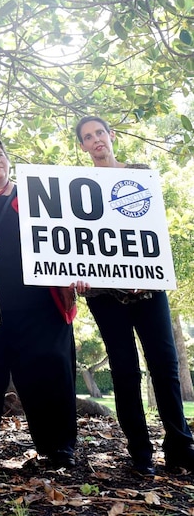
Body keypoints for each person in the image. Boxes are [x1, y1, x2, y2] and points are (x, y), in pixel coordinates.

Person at [72, 116, 194, 475]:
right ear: (82, 147)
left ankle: (180, 448)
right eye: (87, 137)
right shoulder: (76, 186)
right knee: (124, 371)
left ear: (111, 136)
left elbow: (154, 229)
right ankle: (140, 452)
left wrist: (148, 270)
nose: (96, 141)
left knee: (165, 368)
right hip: (105, 295)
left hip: (148, 289)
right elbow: (75, 242)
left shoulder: (140, 174)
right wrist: (76, 276)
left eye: (99, 133)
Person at [0, 136, 78, 468]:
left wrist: (78, 269)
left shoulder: (36, 197)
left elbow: (66, 236)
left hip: (39, 307)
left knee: (48, 373)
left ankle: (58, 448)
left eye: (0, 154)